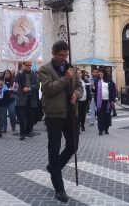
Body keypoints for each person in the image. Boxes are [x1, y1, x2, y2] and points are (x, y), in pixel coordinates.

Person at [39, 41, 83, 203]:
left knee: (73, 145)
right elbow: (49, 89)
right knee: (54, 148)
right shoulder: (44, 69)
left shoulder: (71, 67)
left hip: (71, 112)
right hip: (54, 114)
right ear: (53, 53)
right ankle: (59, 187)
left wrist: (77, 95)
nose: (64, 59)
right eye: (61, 55)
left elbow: (80, 86)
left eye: (66, 55)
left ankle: (53, 167)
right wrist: (66, 78)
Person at [14, 62, 39, 140]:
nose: (28, 67)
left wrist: (29, 88)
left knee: (29, 116)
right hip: (21, 98)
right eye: (27, 65)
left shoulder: (34, 75)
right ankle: (22, 133)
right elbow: (16, 79)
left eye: (30, 65)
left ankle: (28, 131)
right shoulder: (21, 74)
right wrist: (21, 71)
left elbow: (37, 85)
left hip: (30, 98)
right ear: (23, 66)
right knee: (21, 117)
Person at [93, 68, 116, 136]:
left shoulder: (109, 81)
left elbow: (113, 90)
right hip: (100, 101)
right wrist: (93, 87)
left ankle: (106, 129)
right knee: (100, 115)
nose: (100, 73)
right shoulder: (96, 80)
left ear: (104, 73)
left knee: (107, 115)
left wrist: (112, 100)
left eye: (101, 72)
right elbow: (94, 91)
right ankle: (100, 129)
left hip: (108, 101)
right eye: (99, 72)